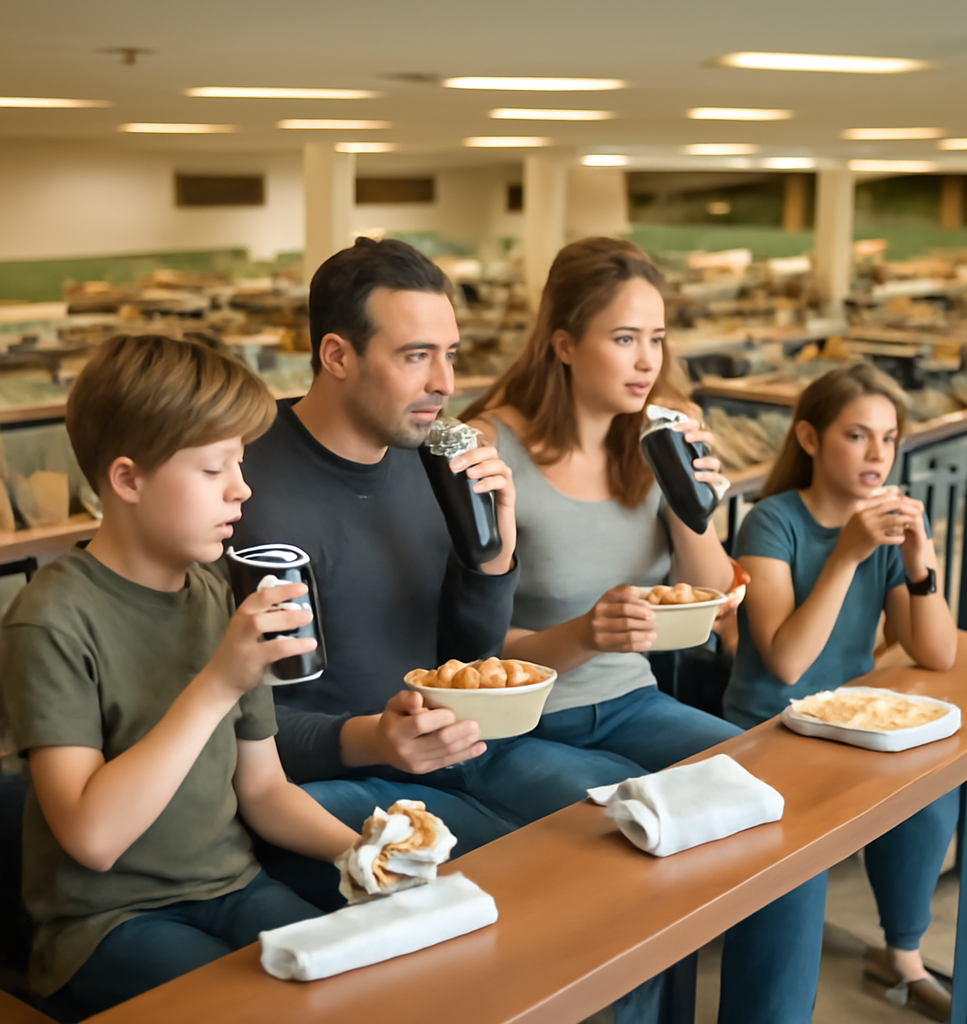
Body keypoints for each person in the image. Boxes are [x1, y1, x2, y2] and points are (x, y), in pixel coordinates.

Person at [461, 237, 828, 1024]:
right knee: (640, 845)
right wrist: (585, 633)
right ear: (563, 344)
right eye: (624, 339)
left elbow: (706, 589)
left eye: (657, 339)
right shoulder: (491, 450)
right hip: (519, 726)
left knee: (782, 819)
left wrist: (692, 499)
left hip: (631, 702)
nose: (646, 362)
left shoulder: (659, 431)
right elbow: (467, 650)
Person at [233, 238, 646, 908]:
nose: (445, 385)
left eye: (449, 355)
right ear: (337, 356)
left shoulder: (438, 450)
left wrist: (493, 558)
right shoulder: (243, 485)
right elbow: (242, 721)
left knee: (633, 840)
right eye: (415, 356)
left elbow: (469, 658)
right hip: (325, 777)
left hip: (459, 743)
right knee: (526, 894)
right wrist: (372, 740)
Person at [0, 334, 358, 1021]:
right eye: (213, 468)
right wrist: (220, 681)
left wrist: (366, 851)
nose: (242, 488)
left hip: (233, 885)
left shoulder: (221, 594)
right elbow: (93, 840)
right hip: (105, 925)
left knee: (357, 983)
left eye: (242, 463)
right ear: (128, 480)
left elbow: (264, 790)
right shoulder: (49, 620)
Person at [725, 363, 959, 1022]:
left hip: (850, 724)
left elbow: (937, 651)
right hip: (770, 730)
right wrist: (848, 555)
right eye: (857, 435)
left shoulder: (883, 530)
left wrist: (920, 561)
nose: (877, 454)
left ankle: (901, 955)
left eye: (888, 438)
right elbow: (789, 663)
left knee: (933, 793)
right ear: (808, 437)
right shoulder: (771, 523)